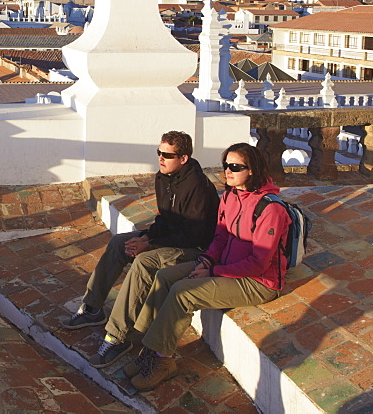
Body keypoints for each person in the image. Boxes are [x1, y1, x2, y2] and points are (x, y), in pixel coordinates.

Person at [121, 142, 291, 391]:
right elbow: (220, 237)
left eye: (235, 166)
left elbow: (259, 263)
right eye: (226, 165)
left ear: (252, 170)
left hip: (258, 282)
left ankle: (163, 362)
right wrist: (206, 261)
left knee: (182, 292)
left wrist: (212, 271)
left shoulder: (270, 209)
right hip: (224, 267)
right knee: (166, 276)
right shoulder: (231, 196)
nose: (228, 171)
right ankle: (149, 348)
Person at [61, 131, 219, 364]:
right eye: (159, 152)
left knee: (145, 263)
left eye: (167, 154)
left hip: (195, 247)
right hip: (172, 238)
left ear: (183, 158)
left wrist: (149, 245)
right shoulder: (163, 177)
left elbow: (192, 234)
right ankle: (93, 307)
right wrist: (146, 238)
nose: (161, 158)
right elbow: (165, 220)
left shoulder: (197, 187)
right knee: (118, 243)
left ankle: (117, 336)